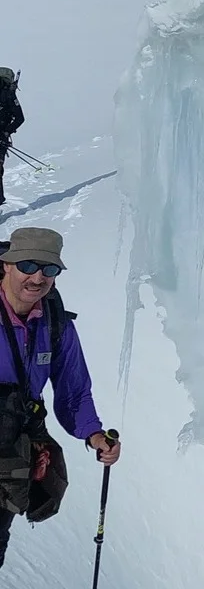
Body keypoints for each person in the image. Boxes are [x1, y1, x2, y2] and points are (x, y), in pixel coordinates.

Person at [0, 227, 120, 569]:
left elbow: (73, 391)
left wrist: (94, 435)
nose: (37, 277)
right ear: (6, 264)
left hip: (12, 454)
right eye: (27, 265)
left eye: (49, 269)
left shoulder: (55, 326)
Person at [0, 69, 22, 208]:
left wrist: (5, 132)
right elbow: (19, 118)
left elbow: (20, 118)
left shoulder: (8, 95)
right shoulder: (9, 94)